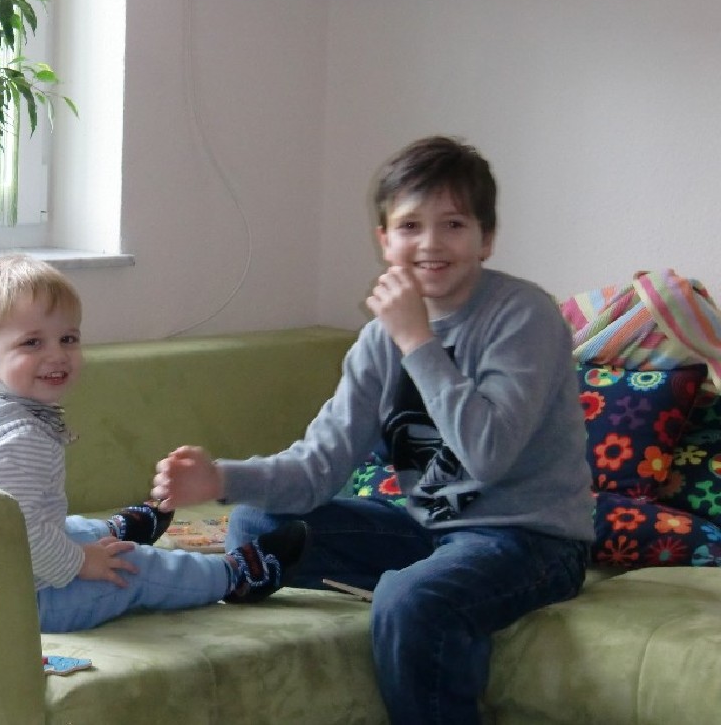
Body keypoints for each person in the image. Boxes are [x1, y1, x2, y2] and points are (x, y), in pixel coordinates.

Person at [152, 136, 594, 725]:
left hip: (531, 541)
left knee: (409, 598)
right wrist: (219, 479)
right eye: (410, 226)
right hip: (431, 528)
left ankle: (423, 619)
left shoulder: (523, 316)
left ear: (485, 238)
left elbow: (488, 454)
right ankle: (419, 597)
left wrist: (417, 340)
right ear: (385, 240)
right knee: (259, 524)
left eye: (453, 224)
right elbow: (318, 469)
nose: (430, 243)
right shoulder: (378, 339)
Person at [0, 253, 306, 633]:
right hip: (26, 601)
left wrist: (80, 546)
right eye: (32, 343)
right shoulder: (19, 441)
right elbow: (31, 537)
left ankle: (113, 529)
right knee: (135, 568)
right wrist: (83, 562)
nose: (57, 355)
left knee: (70, 527)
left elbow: (27, 523)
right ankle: (235, 576)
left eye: (68, 338)